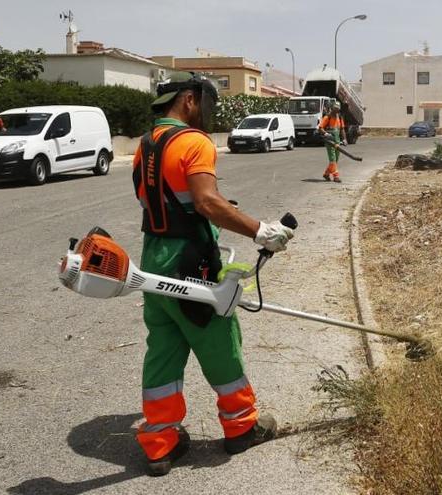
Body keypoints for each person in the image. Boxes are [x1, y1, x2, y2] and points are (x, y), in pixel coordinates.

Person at [131, 72, 294, 476]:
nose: (208, 111)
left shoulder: (146, 145)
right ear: (188, 100)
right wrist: (260, 229)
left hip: (154, 255)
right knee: (218, 339)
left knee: (164, 347)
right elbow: (205, 201)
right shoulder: (193, 141)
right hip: (190, 260)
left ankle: (159, 441)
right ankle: (241, 427)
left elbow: (170, 200)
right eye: (205, 102)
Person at [318, 101, 348, 183]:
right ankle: (336, 177)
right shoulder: (327, 117)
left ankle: (326, 174)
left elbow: (342, 129)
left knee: (336, 160)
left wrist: (344, 139)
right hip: (329, 141)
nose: (336, 111)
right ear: (332, 108)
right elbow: (320, 128)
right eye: (335, 109)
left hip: (337, 141)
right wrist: (326, 133)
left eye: (337, 109)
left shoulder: (340, 117)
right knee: (332, 159)